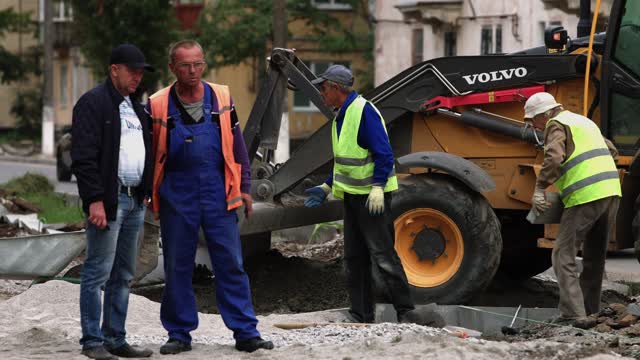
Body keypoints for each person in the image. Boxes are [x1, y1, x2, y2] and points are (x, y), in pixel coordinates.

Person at [146, 40, 273, 354]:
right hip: (177, 193)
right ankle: (178, 333)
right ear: (172, 68)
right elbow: (149, 156)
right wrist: (148, 196)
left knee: (231, 262)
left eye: (198, 64)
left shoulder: (222, 97)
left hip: (218, 192)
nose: (193, 71)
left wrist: (243, 187)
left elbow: (238, 147)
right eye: (186, 65)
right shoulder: (157, 104)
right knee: (178, 265)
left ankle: (245, 332)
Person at [305, 65, 442, 326]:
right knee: (355, 258)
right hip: (354, 197)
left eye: (323, 88)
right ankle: (361, 314)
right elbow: (347, 160)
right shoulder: (342, 115)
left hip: (372, 198)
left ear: (335, 87)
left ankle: (406, 311)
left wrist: (378, 187)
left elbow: (383, 153)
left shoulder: (363, 112)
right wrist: (326, 186)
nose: (321, 93)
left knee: (383, 256)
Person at [71, 44, 154, 360]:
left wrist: (146, 189)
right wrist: (94, 200)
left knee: (124, 273)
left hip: (134, 201)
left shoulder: (136, 107)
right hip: (109, 200)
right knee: (97, 271)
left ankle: (115, 338)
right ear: (114, 69)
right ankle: (92, 342)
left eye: (140, 72)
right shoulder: (93, 103)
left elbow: (144, 150)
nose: (137, 76)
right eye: (132, 70)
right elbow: (83, 157)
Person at [525, 92, 621, 328]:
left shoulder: (556, 125)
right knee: (594, 257)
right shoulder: (583, 121)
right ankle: (590, 312)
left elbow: (554, 157)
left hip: (585, 195)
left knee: (562, 255)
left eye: (533, 120)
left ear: (546, 114)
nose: (533, 126)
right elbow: (612, 152)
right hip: (611, 191)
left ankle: (573, 315)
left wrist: (540, 187)